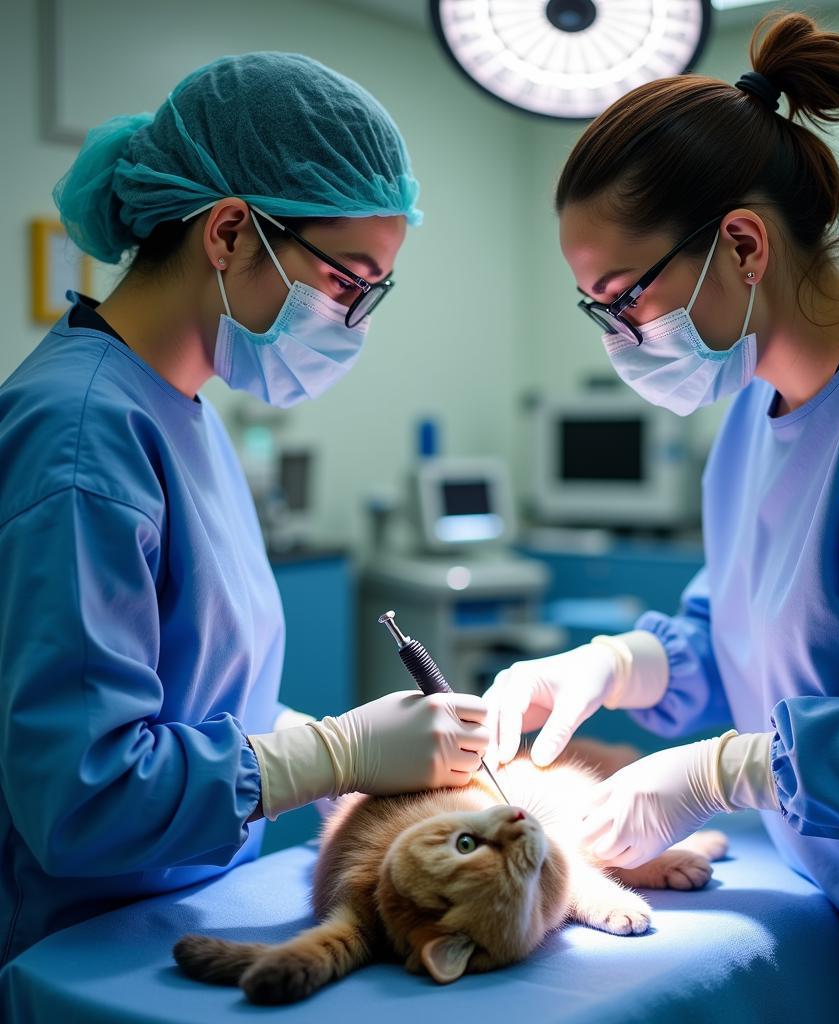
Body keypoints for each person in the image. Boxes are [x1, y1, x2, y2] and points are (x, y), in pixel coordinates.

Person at [484, 13, 839, 1022]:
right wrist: (616, 665)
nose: (617, 337)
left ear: (739, 242)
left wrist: (729, 768)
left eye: (622, 299)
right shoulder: (749, 416)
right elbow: (728, 629)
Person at [0, 52, 489, 966]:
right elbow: (78, 795)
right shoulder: (78, 434)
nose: (355, 319)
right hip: (79, 948)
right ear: (227, 232)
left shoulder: (180, 409)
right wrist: (330, 758)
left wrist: (330, 747)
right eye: (347, 279)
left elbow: (195, 694)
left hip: (176, 906)